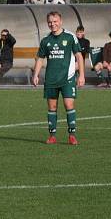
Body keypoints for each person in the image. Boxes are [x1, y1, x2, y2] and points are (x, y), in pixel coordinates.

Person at [33, 11, 85, 145]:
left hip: (67, 78)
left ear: (60, 21)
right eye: (50, 22)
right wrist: (36, 74)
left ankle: (72, 135)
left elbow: (79, 56)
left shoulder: (69, 37)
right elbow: (40, 58)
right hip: (51, 79)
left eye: (55, 21)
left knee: (69, 104)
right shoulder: (46, 40)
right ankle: (52, 135)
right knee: (52, 107)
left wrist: (82, 76)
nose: (53, 24)